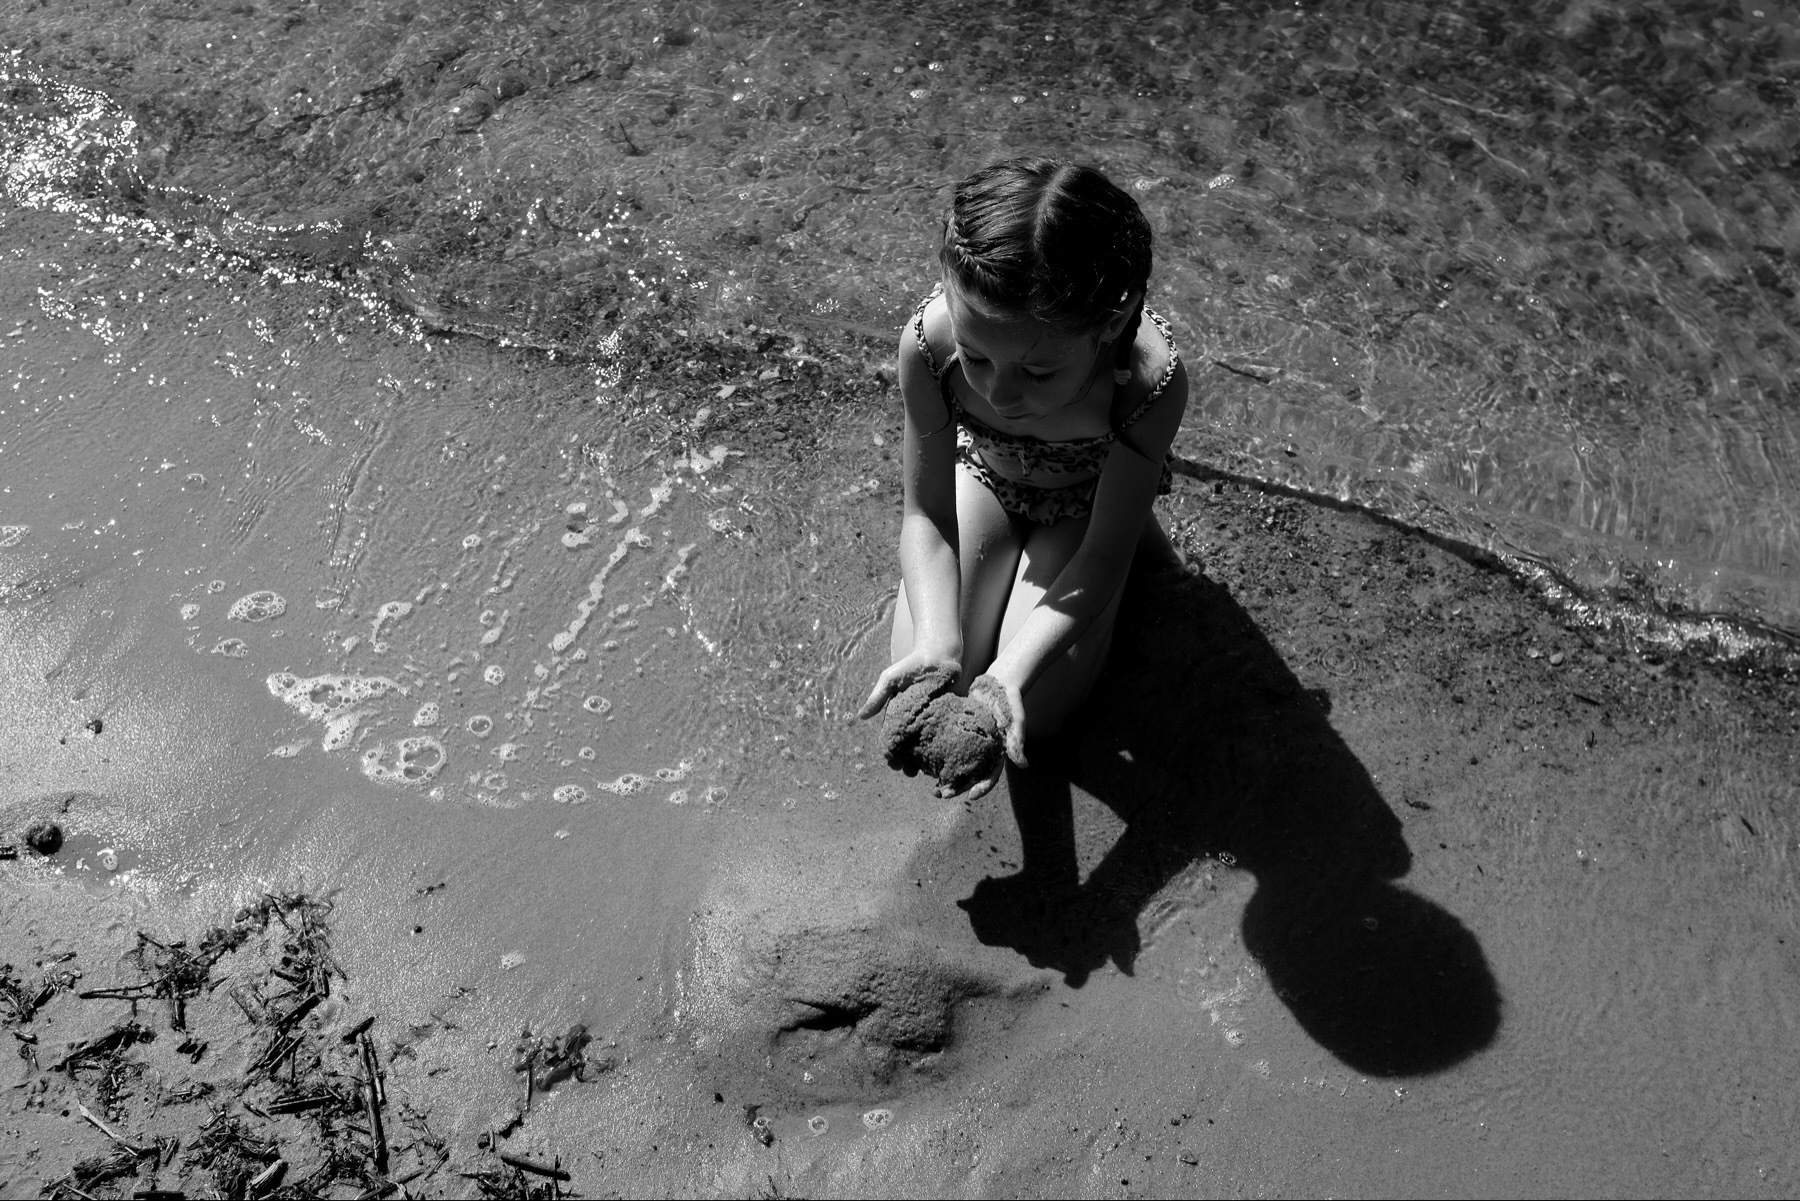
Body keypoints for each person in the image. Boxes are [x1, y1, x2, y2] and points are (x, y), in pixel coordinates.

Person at [858, 156, 1190, 799]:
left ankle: (1142, 547)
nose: (999, 391)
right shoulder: (928, 346)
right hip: (985, 476)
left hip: (1086, 508)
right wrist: (938, 641)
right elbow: (925, 516)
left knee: (1038, 720)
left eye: (1037, 373)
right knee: (936, 685)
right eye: (977, 358)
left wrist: (1007, 676)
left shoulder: (1145, 383)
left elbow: (1101, 555)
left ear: (1113, 322)